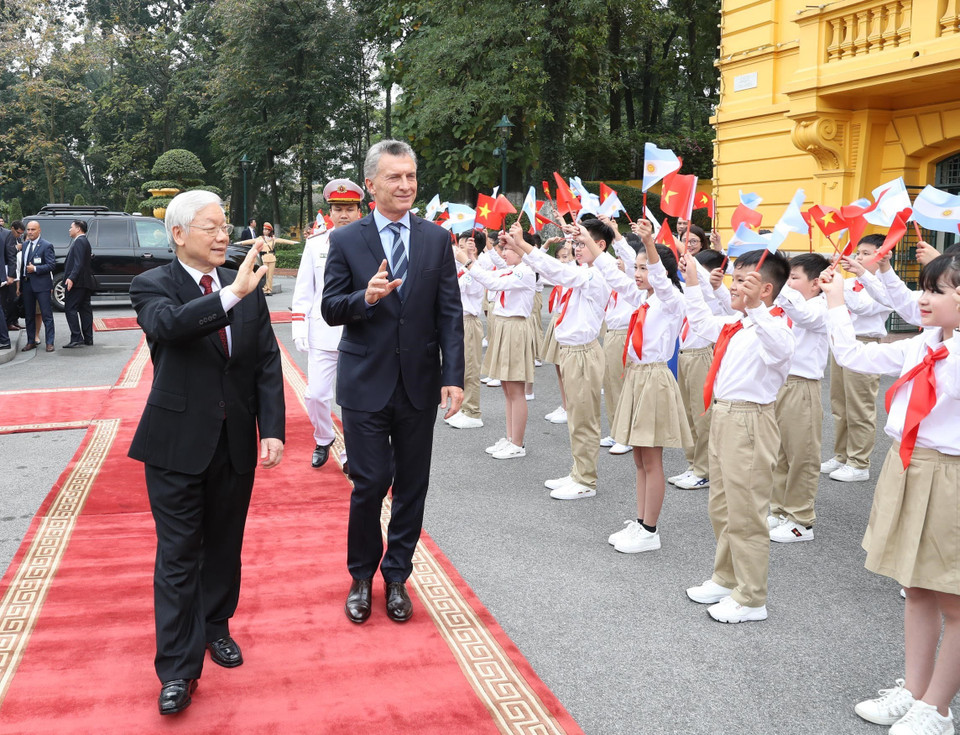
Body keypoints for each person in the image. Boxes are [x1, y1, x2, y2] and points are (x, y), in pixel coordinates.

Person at [127, 190, 285, 716]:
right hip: (175, 444)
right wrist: (230, 296)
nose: (223, 236)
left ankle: (216, 626)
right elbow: (168, 327)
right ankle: (177, 668)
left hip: (234, 439)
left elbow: (265, 360)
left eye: (225, 227)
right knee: (178, 556)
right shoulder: (152, 284)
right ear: (178, 234)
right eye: (210, 227)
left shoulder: (244, 282)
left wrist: (272, 428)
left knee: (223, 545)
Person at [321, 139, 464, 625]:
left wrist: (453, 375)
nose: (405, 185)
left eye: (411, 176)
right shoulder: (346, 241)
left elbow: (450, 313)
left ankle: (397, 575)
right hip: (365, 382)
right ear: (371, 185)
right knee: (370, 482)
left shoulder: (435, 239)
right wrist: (365, 297)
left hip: (419, 383)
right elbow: (331, 308)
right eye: (394, 177)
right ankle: (361, 576)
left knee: (412, 485)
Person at [821, 254, 960, 735]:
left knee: (954, 599)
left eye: (936, 290)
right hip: (907, 466)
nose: (923, 298)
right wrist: (836, 303)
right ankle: (916, 692)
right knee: (916, 586)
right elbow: (852, 356)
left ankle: (938, 708)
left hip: (951, 474)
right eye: (925, 288)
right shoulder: (922, 344)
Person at [682, 248, 795, 624]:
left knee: (746, 512)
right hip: (724, 415)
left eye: (744, 280)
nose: (733, 286)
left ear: (765, 289)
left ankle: (751, 596)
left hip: (750, 420)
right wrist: (693, 279)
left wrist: (757, 308)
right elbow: (700, 320)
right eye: (735, 278)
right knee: (722, 506)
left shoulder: (776, 326)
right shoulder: (737, 323)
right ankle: (727, 577)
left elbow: (780, 349)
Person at [589, 219, 690, 553]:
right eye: (636, 267)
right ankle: (641, 520)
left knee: (652, 458)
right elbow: (611, 272)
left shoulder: (671, 299)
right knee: (640, 458)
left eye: (643, 268)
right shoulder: (643, 297)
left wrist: (648, 244)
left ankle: (650, 529)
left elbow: (660, 279)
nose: (638, 273)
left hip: (654, 378)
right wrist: (587, 239)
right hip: (637, 376)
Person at [504, 217, 613, 500]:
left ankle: (586, 480)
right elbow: (552, 270)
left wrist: (524, 245)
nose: (577, 248)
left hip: (583, 352)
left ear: (601, 245)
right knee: (575, 417)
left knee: (584, 420)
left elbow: (558, 271)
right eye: (576, 243)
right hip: (573, 352)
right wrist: (522, 247)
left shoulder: (598, 274)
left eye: (583, 243)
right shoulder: (583, 270)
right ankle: (578, 471)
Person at [291, 178, 365, 470]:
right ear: (330, 211)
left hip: (360, 333)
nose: (343, 214)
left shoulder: (370, 242)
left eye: (349, 209)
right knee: (316, 395)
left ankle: (351, 453)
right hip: (323, 331)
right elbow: (304, 290)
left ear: (359, 211)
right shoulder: (316, 244)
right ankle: (324, 437)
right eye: (338, 209)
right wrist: (299, 326)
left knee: (355, 400)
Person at [767, 253, 831, 544]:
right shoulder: (788, 306)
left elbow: (805, 316)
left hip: (802, 386)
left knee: (801, 455)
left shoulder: (821, 306)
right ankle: (779, 509)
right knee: (780, 452)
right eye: (788, 277)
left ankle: (800, 520)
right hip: (780, 384)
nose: (789, 283)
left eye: (794, 278)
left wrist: (780, 287)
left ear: (816, 283)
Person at [456, 227, 537, 459]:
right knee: (507, 387)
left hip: (514, 327)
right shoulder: (512, 269)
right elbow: (489, 275)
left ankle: (517, 443)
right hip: (503, 326)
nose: (503, 254)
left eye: (508, 249)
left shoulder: (525, 272)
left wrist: (467, 262)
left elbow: (492, 282)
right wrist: (471, 259)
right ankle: (510, 437)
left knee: (516, 389)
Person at [820, 234, 892, 483]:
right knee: (839, 405)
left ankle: (859, 463)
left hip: (865, 344)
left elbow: (862, 307)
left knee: (860, 407)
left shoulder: (887, 286)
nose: (858, 258)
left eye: (865, 253)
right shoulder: (849, 283)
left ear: (883, 255)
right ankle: (842, 456)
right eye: (858, 253)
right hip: (842, 343)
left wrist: (837, 288)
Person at [446, 231, 487, 429]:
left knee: (470, 368)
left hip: (469, 321)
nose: (458, 251)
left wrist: (469, 260)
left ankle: (473, 411)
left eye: (462, 247)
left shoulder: (478, 270)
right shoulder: (461, 268)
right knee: (459, 368)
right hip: (457, 321)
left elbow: (471, 289)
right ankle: (462, 409)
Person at [541, 238, 571, 425]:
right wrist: (544, 248)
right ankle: (565, 404)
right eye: (559, 257)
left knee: (568, 369)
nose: (562, 260)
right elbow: (540, 267)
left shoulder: (576, 273)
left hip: (567, 322)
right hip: (557, 319)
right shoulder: (559, 276)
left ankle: (571, 408)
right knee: (558, 368)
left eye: (566, 256)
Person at [20, 220, 55, 352]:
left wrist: (35, 269)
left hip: (42, 286)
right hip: (27, 285)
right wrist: (21, 286)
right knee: (29, 315)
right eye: (28, 229)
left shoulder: (46, 245)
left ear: (39, 230)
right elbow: (23, 266)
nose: (30, 232)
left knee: (46, 315)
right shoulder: (25, 245)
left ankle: (50, 342)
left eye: (33, 229)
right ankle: (31, 341)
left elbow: (51, 265)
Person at [236, 222, 298, 295]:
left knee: (270, 275)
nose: (264, 231)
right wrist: (240, 243)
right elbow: (251, 241)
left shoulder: (273, 239)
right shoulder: (260, 238)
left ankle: (269, 289)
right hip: (264, 258)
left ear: (269, 231)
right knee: (265, 274)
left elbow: (283, 241)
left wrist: (294, 242)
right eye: (263, 229)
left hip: (272, 258)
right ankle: (265, 289)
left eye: (266, 229)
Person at [62, 219, 96, 348]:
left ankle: (76, 337)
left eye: (71, 227)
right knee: (84, 309)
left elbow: (78, 263)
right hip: (84, 282)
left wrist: (71, 278)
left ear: (78, 229)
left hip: (77, 283)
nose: (69, 230)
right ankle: (88, 338)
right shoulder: (84, 241)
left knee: (70, 308)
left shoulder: (80, 242)